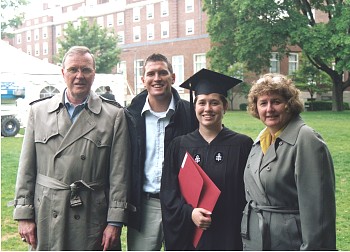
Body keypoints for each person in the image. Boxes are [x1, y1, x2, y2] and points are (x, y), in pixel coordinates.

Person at [11, 46, 132, 251]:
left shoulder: (113, 116)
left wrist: (115, 222)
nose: (79, 76)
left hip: (92, 214)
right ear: (63, 72)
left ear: (94, 73)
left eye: (86, 70)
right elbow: (26, 169)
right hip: (48, 211)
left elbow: (119, 175)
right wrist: (24, 214)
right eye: (73, 69)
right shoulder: (38, 112)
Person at [160, 68, 253, 250]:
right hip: (191, 234)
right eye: (201, 103)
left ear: (224, 107)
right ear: (194, 107)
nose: (207, 109)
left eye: (214, 103)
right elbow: (168, 193)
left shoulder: (242, 145)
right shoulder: (178, 146)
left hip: (229, 234)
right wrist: (190, 213)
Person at [241, 73, 336, 250]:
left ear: (289, 104)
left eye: (276, 101)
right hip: (257, 241)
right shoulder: (261, 139)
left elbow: (318, 211)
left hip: (288, 242)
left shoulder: (306, 139)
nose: (269, 109)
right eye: (263, 103)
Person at [126, 53, 198, 250]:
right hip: (146, 205)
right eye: (151, 74)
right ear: (143, 80)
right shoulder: (130, 117)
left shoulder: (191, 113)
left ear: (173, 78)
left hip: (182, 205)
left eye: (162, 73)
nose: (156, 78)